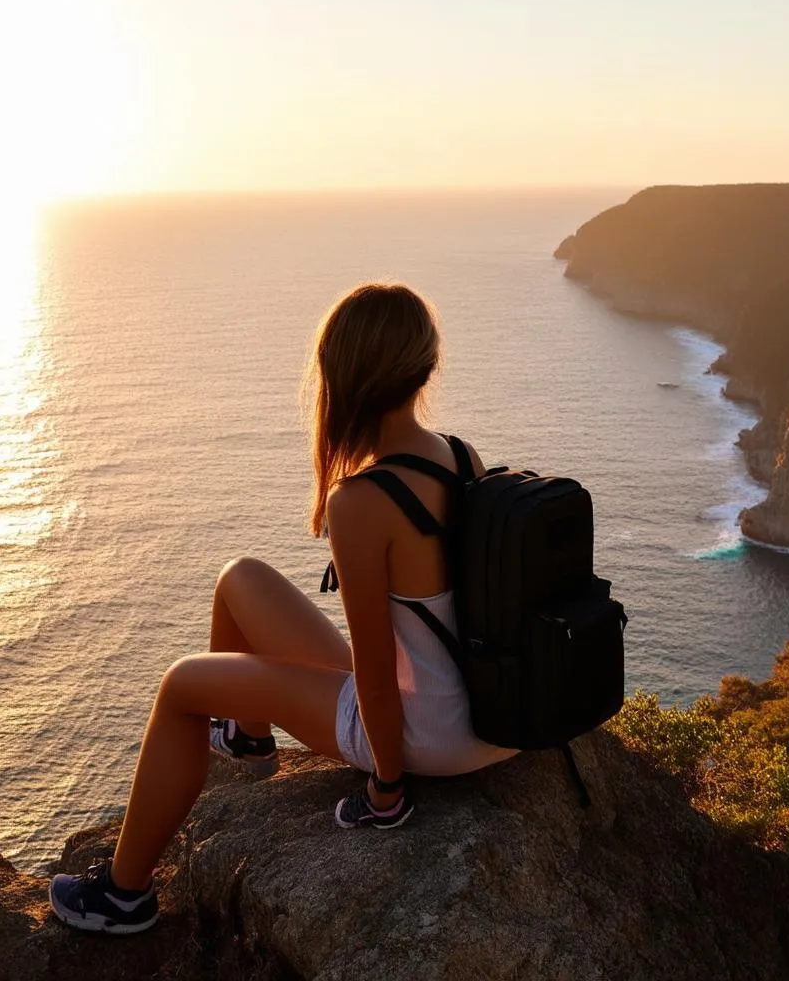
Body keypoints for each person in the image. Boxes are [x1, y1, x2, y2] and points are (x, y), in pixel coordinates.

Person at [48, 283, 517, 934]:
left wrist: (386, 793)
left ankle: (122, 897)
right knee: (241, 579)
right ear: (423, 367)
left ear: (342, 377)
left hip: (428, 734)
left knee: (182, 685)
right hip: (485, 716)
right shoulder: (460, 456)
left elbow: (376, 679)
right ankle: (247, 737)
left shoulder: (363, 502)